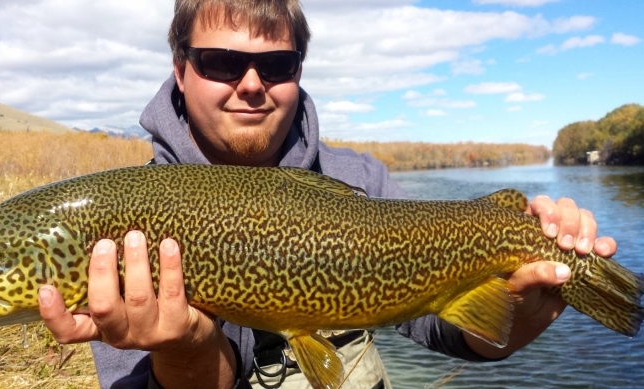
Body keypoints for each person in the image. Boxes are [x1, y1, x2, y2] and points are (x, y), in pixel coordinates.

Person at [37, 0, 618, 388]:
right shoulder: (121, 223)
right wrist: (186, 352)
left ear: (299, 70)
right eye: (220, 62)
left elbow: (449, 331)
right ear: (180, 68)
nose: (249, 85)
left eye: (276, 64)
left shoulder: (362, 183)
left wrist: (518, 311)